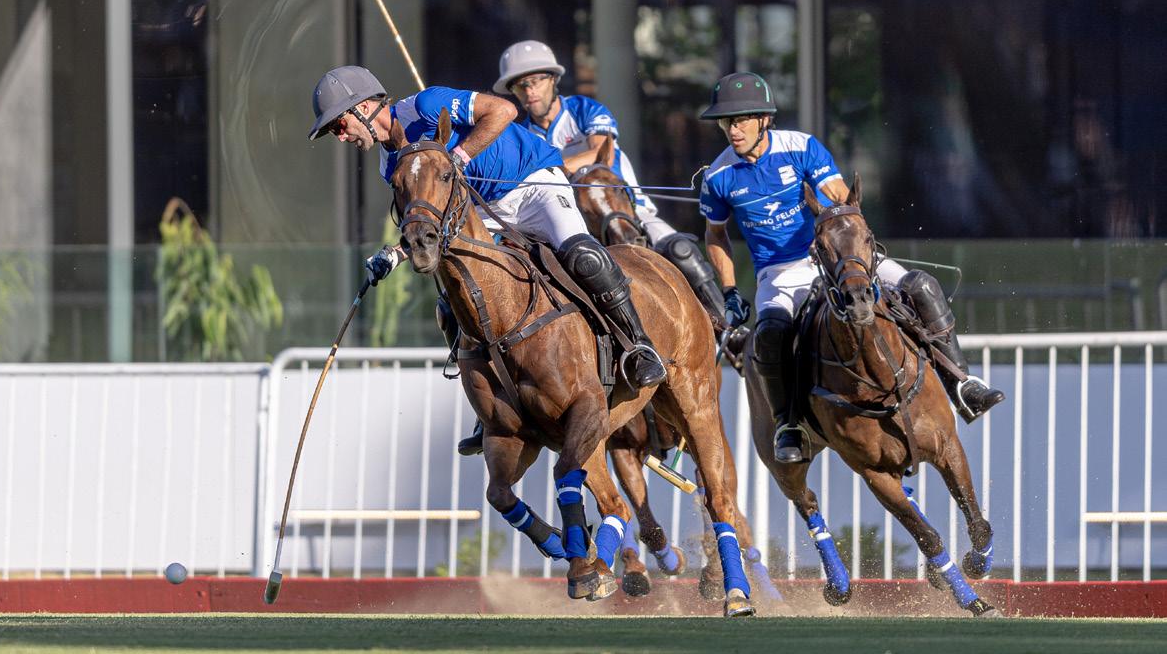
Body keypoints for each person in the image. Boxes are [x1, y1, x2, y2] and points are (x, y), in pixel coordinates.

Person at [307, 65, 670, 452]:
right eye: (334, 131)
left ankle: (639, 347)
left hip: (532, 182)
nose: (340, 136)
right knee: (453, 301)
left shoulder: (426, 105)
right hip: (480, 211)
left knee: (583, 257)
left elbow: (504, 110)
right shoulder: (391, 163)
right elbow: (428, 224)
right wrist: (394, 256)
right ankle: (490, 407)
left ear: (364, 106)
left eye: (339, 124)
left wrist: (458, 157)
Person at [697, 72, 1004, 464]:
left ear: (764, 119)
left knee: (921, 286)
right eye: (726, 122)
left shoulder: (801, 147)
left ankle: (962, 384)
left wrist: (839, 241)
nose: (732, 130)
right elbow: (715, 235)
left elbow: (841, 199)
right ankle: (788, 424)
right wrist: (729, 291)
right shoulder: (718, 176)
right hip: (779, 271)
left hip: (834, 256)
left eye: (740, 120)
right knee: (771, 334)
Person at [494, 40, 728, 328]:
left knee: (681, 249)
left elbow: (600, 152)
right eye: (519, 86)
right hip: (572, 223)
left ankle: (726, 324)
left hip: (624, 210)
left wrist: (550, 166)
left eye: (535, 81)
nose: (529, 91)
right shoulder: (522, 135)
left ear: (553, 79)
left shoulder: (584, 109)